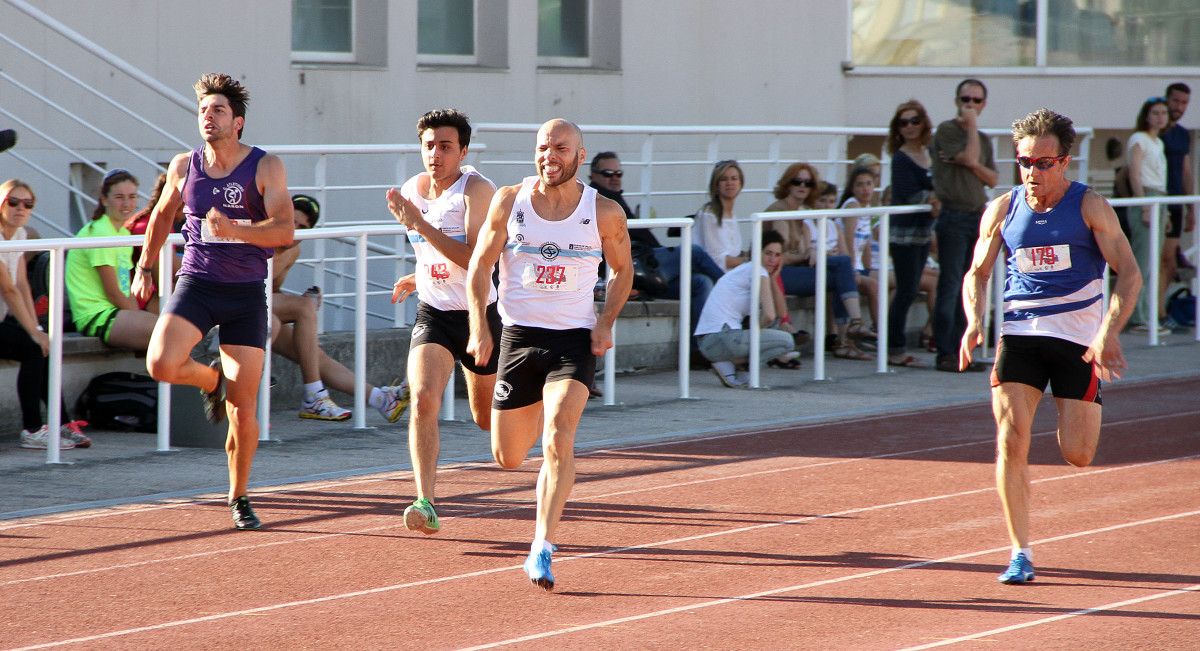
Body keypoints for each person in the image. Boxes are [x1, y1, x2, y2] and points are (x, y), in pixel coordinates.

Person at [959, 108, 1141, 585]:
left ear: (1064, 161)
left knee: (1078, 453)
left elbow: (1130, 272)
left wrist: (1108, 334)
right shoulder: (1003, 208)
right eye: (1024, 163)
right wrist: (974, 321)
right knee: (1010, 438)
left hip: (1079, 342)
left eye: (1044, 163)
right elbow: (976, 274)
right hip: (1020, 333)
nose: (1033, 172)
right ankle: (1019, 552)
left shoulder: (1090, 207)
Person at [465, 118, 632, 590]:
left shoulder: (603, 212)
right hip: (518, 339)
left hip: (572, 341)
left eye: (560, 148)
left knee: (559, 438)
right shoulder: (509, 201)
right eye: (543, 147)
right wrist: (480, 324)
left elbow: (622, 272)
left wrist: (605, 322)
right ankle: (531, 405)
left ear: (580, 155)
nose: (549, 156)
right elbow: (479, 264)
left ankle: (542, 545)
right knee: (509, 457)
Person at [132, 73, 295, 531]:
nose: (209, 116)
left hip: (245, 293)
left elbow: (285, 231)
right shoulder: (185, 166)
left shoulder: (265, 167)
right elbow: (163, 214)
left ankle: (239, 495)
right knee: (161, 364)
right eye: (204, 109)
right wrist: (145, 266)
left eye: (218, 110)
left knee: (243, 409)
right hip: (197, 284)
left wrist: (237, 230)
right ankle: (209, 381)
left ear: (238, 122)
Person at [385, 108, 497, 535]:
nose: (436, 154)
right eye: (429, 146)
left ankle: (533, 405)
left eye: (446, 147)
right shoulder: (415, 188)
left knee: (486, 420)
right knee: (424, 398)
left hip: (479, 314)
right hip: (433, 313)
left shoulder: (477, 190)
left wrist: (419, 225)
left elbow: (474, 259)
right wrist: (419, 275)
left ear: (463, 150)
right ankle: (425, 501)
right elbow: (432, 252)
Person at [272, 193, 409, 423]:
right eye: (291, 221)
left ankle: (380, 399)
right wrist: (300, 305)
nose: (294, 230)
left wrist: (299, 302)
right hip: (238, 308)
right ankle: (314, 398)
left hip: (262, 312)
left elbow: (272, 291)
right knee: (302, 309)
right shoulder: (259, 239)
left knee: (314, 356)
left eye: (302, 227)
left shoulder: (293, 251)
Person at [588, 152, 724, 329]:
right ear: (593, 175)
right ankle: (736, 292)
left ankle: (695, 348)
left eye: (618, 174)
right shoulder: (598, 200)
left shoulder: (613, 197)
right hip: (634, 269)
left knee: (701, 282)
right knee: (694, 252)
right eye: (608, 173)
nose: (614, 178)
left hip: (648, 270)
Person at [0, 179, 84, 450]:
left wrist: (37, 330)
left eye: (27, 204)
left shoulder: (20, 235)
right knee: (34, 349)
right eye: (12, 202)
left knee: (42, 346)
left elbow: (22, 283)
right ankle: (33, 429)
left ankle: (60, 422)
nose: (19, 208)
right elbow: (9, 290)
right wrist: (34, 334)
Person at [765, 166, 872, 361]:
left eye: (809, 183)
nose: (803, 186)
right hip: (776, 275)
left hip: (793, 271)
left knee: (842, 271)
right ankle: (850, 330)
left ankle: (845, 338)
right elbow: (776, 258)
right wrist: (807, 253)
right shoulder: (780, 211)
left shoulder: (800, 212)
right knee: (842, 266)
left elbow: (805, 254)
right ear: (787, 184)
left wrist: (811, 252)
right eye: (797, 181)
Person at [931, 78, 998, 372]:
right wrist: (969, 130)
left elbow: (992, 177)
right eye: (965, 99)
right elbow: (972, 157)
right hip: (953, 216)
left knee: (971, 284)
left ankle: (964, 351)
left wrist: (969, 163)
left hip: (976, 216)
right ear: (957, 101)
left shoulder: (983, 139)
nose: (970, 105)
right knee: (950, 284)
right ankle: (945, 351)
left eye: (976, 101)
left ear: (983, 105)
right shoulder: (948, 130)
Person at [66, 169, 159, 352]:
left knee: (179, 329)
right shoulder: (100, 232)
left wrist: (138, 318)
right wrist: (138, 319)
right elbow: (114, 293)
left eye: (132, 197)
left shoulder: (122, 233)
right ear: (104, 199)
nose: (126, 203)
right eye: (119, 197)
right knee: (169, 332)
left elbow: (125, 285)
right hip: (96, 315)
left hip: (116, 312)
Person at [695, 230, 799, 387]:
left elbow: (780, 313)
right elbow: (770, 315)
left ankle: (733, 367)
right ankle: (735, 364)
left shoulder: (748, 270)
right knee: (786, 341)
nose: (772, 259)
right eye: (768, 253)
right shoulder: (757, 270)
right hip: (721, 338)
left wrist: (773, 277)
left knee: (775, 329)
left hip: (709, 342)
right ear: (757, 252)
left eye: (777, 255)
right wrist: (758, 332)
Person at [885, 100, 938, 367]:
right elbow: (906, 194)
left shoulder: (930, 153)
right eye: (903, 122)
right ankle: (893, 348)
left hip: (922, 233)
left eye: (914, 121)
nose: (909, 127)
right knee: (906, 290)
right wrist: (932, 198)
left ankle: (894, 346)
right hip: (904, 234)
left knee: (910, 288)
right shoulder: (901, 157)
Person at [1124, 96, 1170, 333]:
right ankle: (1136, 317)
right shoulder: (1139, 139)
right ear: (1146, 115)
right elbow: (1135, 172)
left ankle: (1147, 314)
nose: (1160, 117)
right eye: (1155, 113)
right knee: (1141, 261)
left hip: (1160, 198)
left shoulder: (1158, 142)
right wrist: (1143, 204)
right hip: (1146, 198)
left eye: (1164, 112)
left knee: (1153, 261)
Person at [1160, 83, 1194, 330]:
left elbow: (1186, 170)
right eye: (1176, 101)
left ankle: (1159, 311)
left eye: (1184, 103)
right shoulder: (1155, 132)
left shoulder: (1183, 134)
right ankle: (1155, 313)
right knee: (1161, 259)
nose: (1179, 107)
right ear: (1167, 100)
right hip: (1157, 202)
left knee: (1170, 261)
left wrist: (1191, 206)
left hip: (1176, 203)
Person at [694, 160, 747, 271]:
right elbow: (717, 259)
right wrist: (749, 260)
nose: (729, 183)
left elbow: (734, 253)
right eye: (724, 179)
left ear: (740, 183)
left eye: (734, 178)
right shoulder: (709, 214)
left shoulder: (732, 215)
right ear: (716, 185)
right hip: (715, 275)